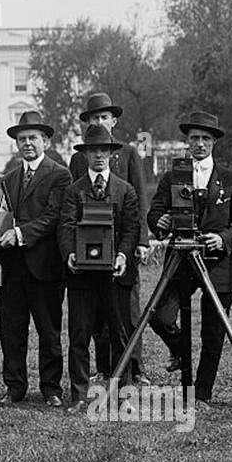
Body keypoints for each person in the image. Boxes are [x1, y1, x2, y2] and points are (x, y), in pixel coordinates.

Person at [145, 111, 232, 411]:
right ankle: (180, 352)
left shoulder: (231, 180)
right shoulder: (172, 176)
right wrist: (161, 221)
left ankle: (200, 394)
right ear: (187, 142)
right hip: (180, 259)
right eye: (194, 139)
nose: (199, 144)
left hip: (218, 263)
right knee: (160, 316)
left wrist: (224, 239)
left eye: (205, 138)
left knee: (213, 331)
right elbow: (154, 214)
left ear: (214, 142)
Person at [0, 110, 71, 406]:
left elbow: (53, 217)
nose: (27, 144)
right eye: (22, 139)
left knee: (48, 331)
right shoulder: (8, 179)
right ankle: (14, 388)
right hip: (11, 268)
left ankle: (51, 389)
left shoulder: (60, 175)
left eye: (33, 138)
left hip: (44, 266)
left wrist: (20, 234)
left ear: (46, 141)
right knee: (11, 330)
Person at [68, 92, 150, 383]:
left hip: (121, 246)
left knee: (126, 309)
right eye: (94, 118)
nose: (99, 121)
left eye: (104, 117)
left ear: (114, 120)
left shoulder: (127, 153)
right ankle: (104, 367)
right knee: (95, 314)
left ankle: (134, 366)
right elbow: (73, 202)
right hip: (90, 247)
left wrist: (140, 241)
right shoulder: (79, 160)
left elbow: (138, 200)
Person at [59, 125, 141, 411]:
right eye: (93, 151)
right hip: (82, 276)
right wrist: (70, 253)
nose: (99, 156)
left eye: (103, 151)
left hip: (115, 275)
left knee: (120, 335)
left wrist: (122, 255)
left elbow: (132, 228)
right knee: (79, 334)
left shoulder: (125, 189)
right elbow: (66, 225)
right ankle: (80, 395)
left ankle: (124, 395)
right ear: (85, 155)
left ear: (110, 153)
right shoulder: (74, 190)